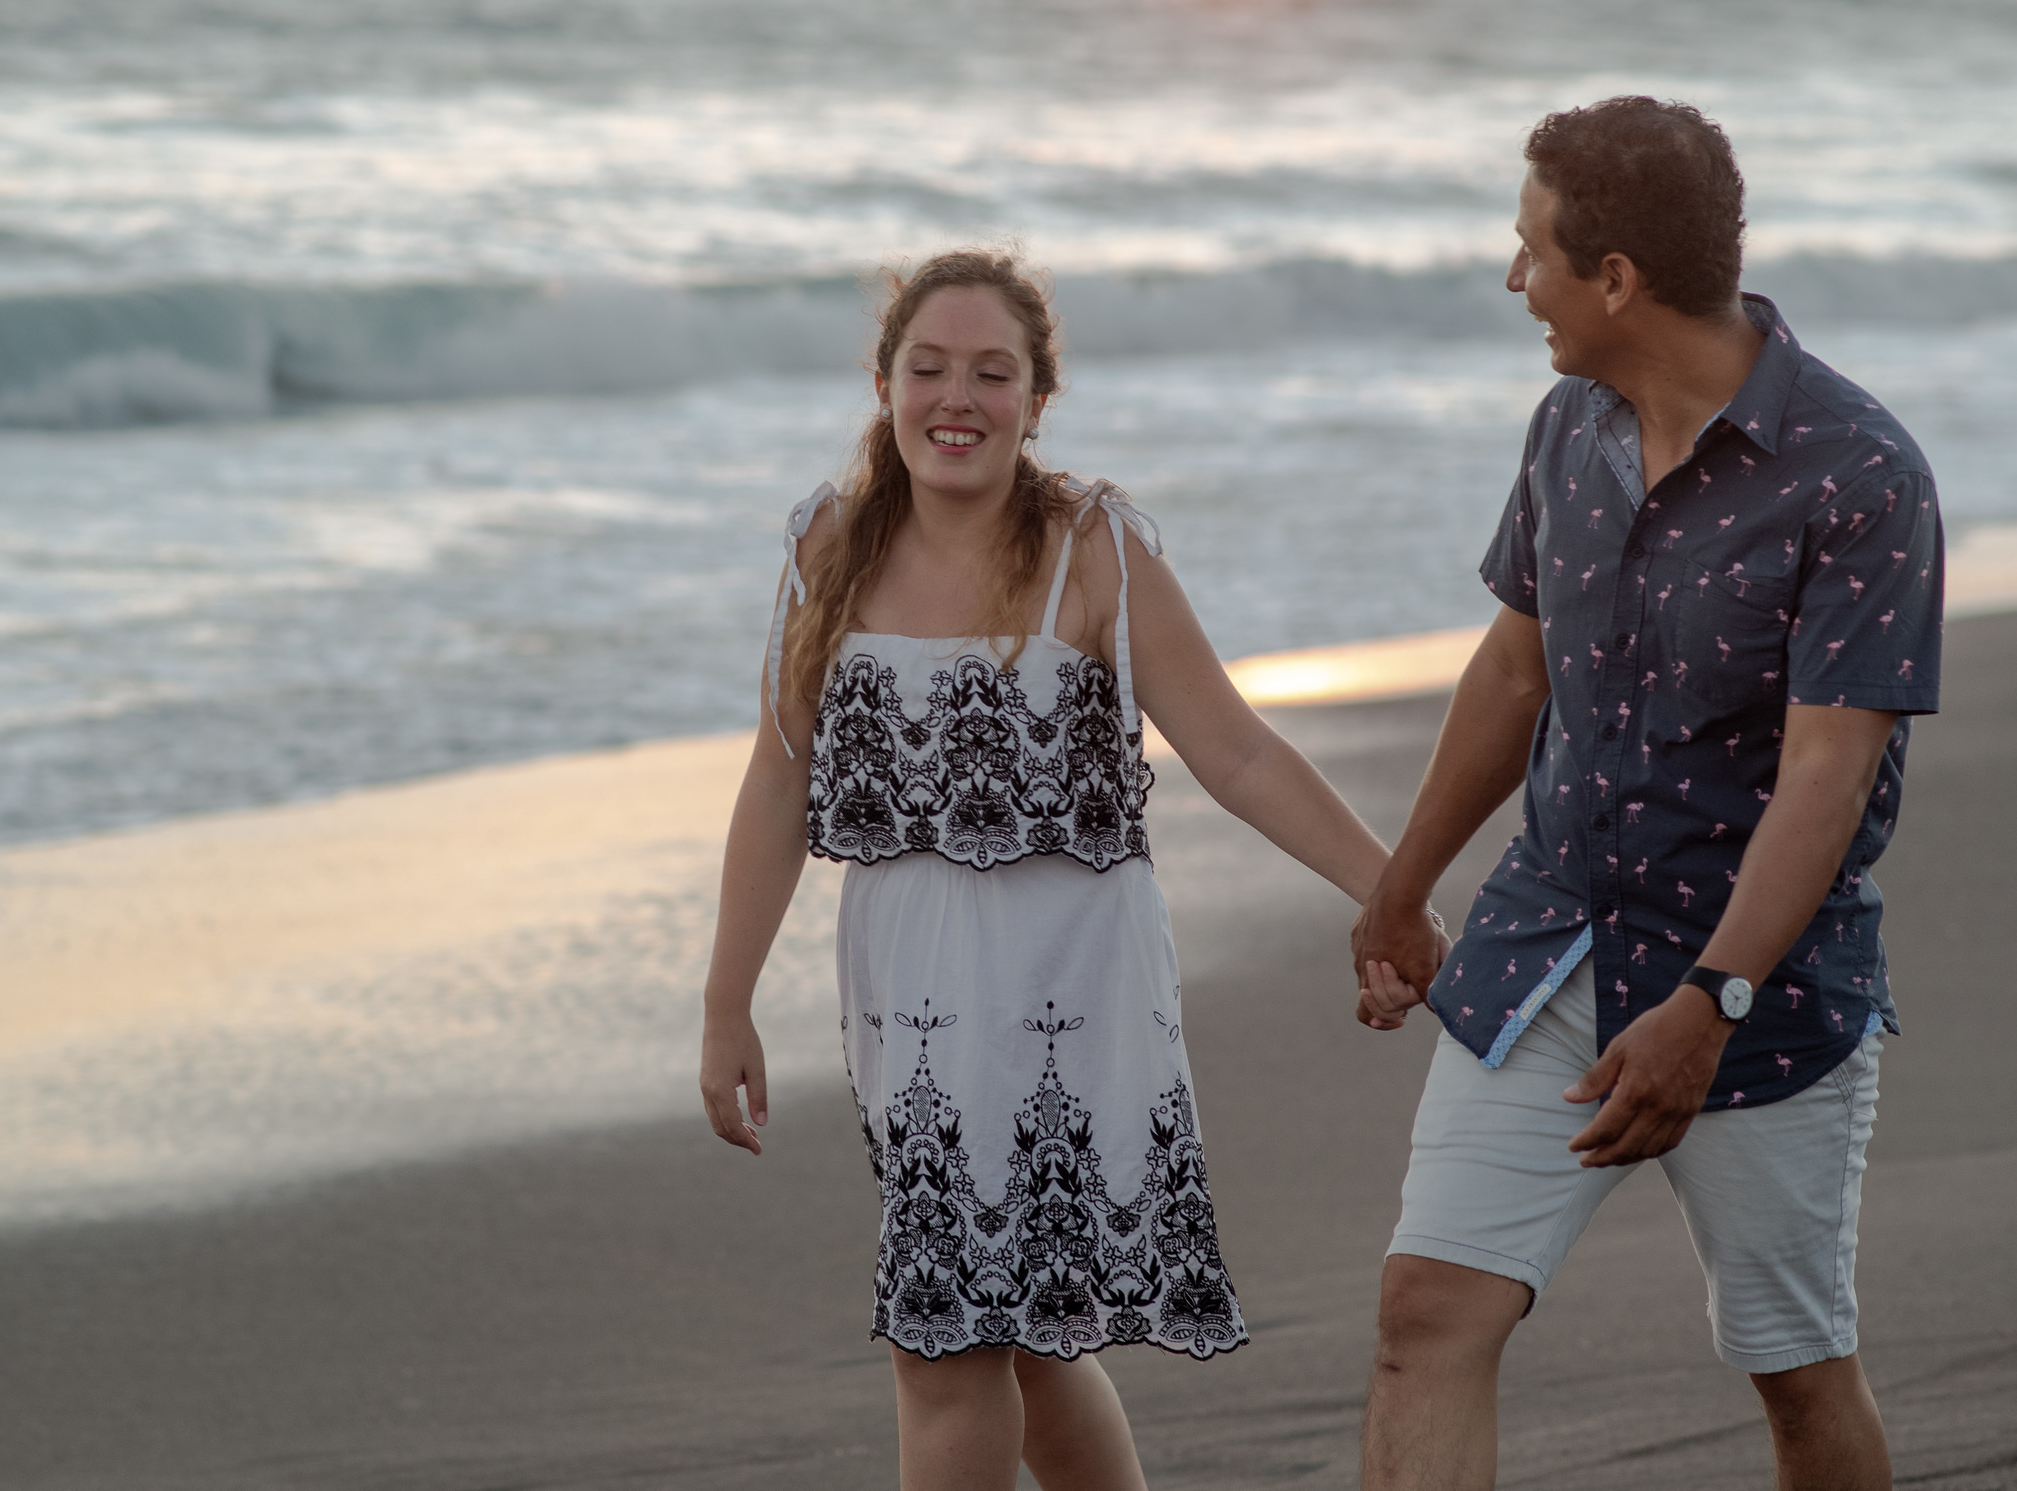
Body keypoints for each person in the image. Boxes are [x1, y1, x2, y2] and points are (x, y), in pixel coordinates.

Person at [701, 248, 1405, 1491]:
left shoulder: (1095, 549)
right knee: (1017, 1333)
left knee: (953, 1338)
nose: (954, 398)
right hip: (907, 990)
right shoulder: (827, 543)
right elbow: (776, 779)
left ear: (1037, 399)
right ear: (883, 381)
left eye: (991, 372)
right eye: (927, 368)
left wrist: (1393, 892)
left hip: (1068, 985)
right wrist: (726, 998)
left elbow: (1236, 750)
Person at [1350, 98, 1944, 1491]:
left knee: (1796, 1371)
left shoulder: (1859, 475)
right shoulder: (1570, 426)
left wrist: (1713, 1002)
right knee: (1423, 1314)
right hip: (1547, 937)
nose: (1515, 281)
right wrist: (1401, 882)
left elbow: (1827, 772)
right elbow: (1513, 673)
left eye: (1530, 249)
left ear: (1614, 278)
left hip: (1764, 991)